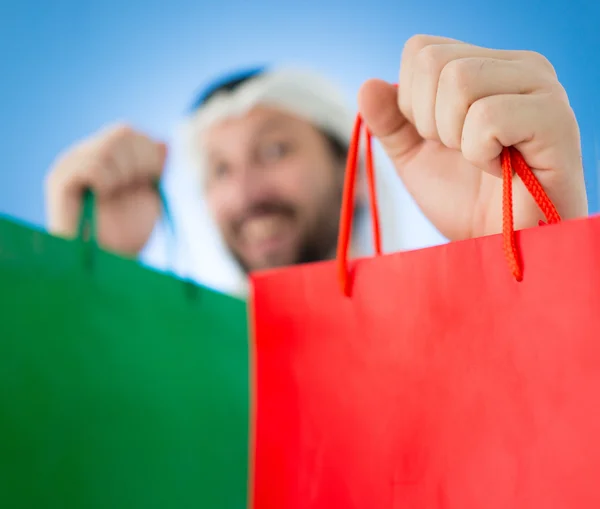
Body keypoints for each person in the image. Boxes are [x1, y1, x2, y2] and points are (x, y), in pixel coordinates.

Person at [44, 35, 588, 294]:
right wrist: (85, 285)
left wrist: (535, 271)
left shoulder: (453, 330)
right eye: (219, 170)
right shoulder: (177, 368)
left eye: (275, 150)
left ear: (350, 173)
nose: (247, 192)